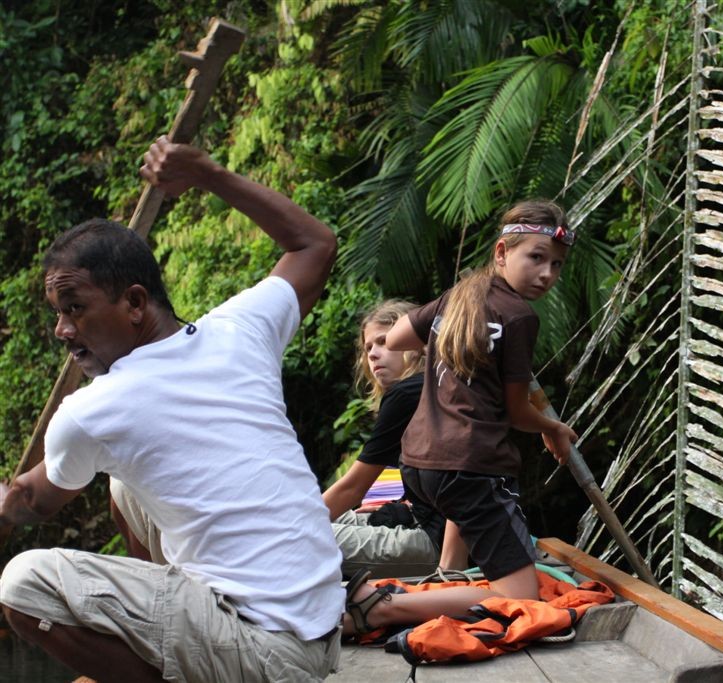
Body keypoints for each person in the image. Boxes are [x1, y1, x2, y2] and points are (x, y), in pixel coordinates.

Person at [0, 136, 345, 683]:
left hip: (265, 652)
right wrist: (208, 174)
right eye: (58, 313)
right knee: (122, 486)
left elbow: (30, 501)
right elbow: (315, 244)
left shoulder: (94, 409)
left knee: (22, 583)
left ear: (135, 303)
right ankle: (177, 649)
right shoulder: (239, 328)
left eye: (75, 309)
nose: (63, 331)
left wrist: (5, 504)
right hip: (322, 634)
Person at [339, 200, 579, 635]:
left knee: (471, 559)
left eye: (557, 265)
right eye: (537, 258)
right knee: (523, 598)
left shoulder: (456, 299)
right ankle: (382, 605)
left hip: (420, 465)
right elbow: (517, 412)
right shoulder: (519, 316)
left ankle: (416, 590)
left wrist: (454, 340)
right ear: (502, 253)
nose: (547, 274)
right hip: (470, 466)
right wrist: (554, 428)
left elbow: (394, 338)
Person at [323, 300, 445, 578]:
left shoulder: (407, 394)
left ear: (414, 342)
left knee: (295, 540)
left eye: (383, 341)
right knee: (300, 521)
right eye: (368, 348)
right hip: (427, 525)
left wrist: (291, 527)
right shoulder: (436, 382)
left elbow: (352, 488)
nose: (373, 354)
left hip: (434, 541)